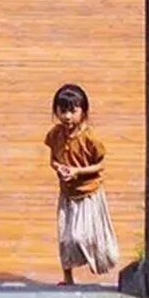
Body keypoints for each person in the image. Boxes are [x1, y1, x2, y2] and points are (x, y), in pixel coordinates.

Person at [44, 82, 119, 284]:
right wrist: (59, 168)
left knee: (81, 236)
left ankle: (99, 260)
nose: (67, 117)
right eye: (62, 111)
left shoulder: (90, 138)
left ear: (83, 112)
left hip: (88, 193)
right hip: (67, 195)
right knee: (64, 239)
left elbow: (101, 165)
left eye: (73, 111)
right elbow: (53, 160)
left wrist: (78, 172)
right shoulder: (55, 135)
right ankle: (67, 277)